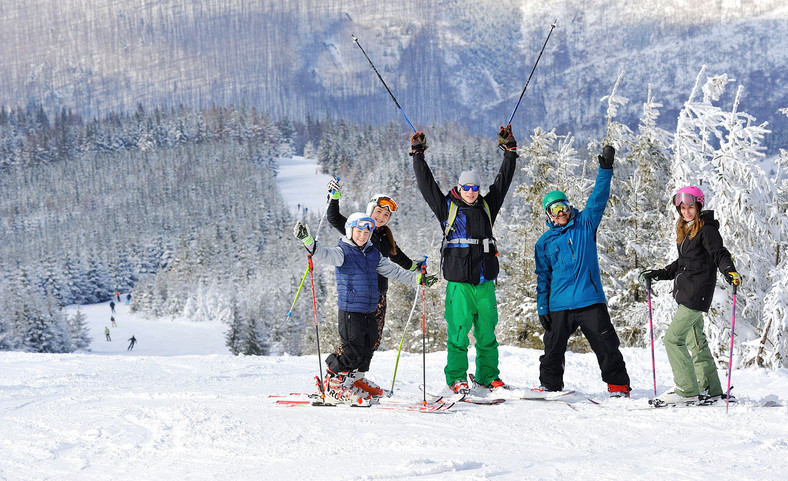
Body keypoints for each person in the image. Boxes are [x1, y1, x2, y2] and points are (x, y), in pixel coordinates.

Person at [410, 125, 517, 393]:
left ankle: (487, 375)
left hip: (484, 283)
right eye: (467, 187)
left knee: (487, 334)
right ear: (459, 187)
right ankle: (456, 377)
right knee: (458, 333)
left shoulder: (487, 205)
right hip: (458, 284)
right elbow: (427, 185)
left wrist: (510, 152)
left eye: (475, 188)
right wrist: (417, 154)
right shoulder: (447, 206)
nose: (471, 191)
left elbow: (503, 182)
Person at [293, 213, 437, 405]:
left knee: (368, 346)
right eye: (358, 231)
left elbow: (393, 271)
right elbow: (323, 254)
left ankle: (354, 381)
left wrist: (418, 279)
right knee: (352, 350)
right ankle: (334, 384)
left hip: (369, 309)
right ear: (350, 231)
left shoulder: (373, 254)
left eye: (366, 231)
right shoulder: (342, 251)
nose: (362, 235)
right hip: (350, 311)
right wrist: (307, 240)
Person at [534, 145, 632, 398]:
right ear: (548, 215)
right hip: (558, 304)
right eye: (555, 209)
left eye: (564, 206)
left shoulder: (585, 224)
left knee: (606, 344)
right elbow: (543, 277)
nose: (561, 212)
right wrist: (542, 307)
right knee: (552, 349)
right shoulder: (544, 243)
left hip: (589, 299)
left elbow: (598, 198)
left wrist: (605, 169)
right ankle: (550, 385)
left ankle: (618, 385)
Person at [639, 186, 740, 407]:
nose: (686, 212)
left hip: (696, 294)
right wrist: (658, 274)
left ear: (699, 206)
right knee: (696, 342)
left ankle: (686, 390)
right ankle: (712, 388)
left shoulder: (707, 230)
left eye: (690, 207)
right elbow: (682, 263)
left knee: (672, 339)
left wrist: (729, 271)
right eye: (682, 208)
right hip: (688, 293)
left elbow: (719, 253)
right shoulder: (687, 230)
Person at [325, 180, 421, 397]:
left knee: (372, 340)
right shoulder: (358, 228)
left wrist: (417, 268)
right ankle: (337, 376)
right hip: (356, 295)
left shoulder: (386, 237)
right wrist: (334, 198)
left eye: (385, 216)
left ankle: (357, 379)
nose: (381, 218)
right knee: (353, 341)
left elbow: (399, 257)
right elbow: (333, 217)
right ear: (370, 211)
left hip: (378, 294)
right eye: (378, 212)